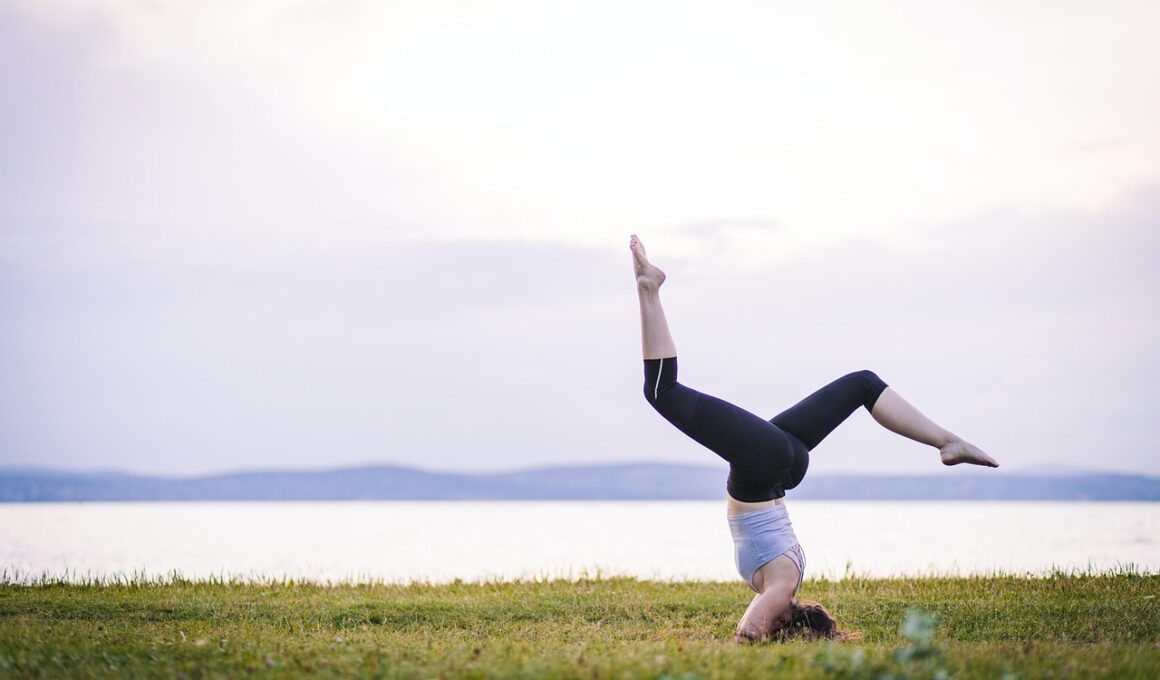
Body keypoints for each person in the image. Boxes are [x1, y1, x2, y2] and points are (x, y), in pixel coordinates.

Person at [629, 234, 999, 643]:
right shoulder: (782, 586)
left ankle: (946, 441)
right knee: (663, 392)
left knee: (862, 384)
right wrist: (746, 643)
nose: (769, 621)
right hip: (763, 469)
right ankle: (649, 289)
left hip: (786, 466)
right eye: (776, 625)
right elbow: (747, 634)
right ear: (787, 621)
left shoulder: (788, 577)